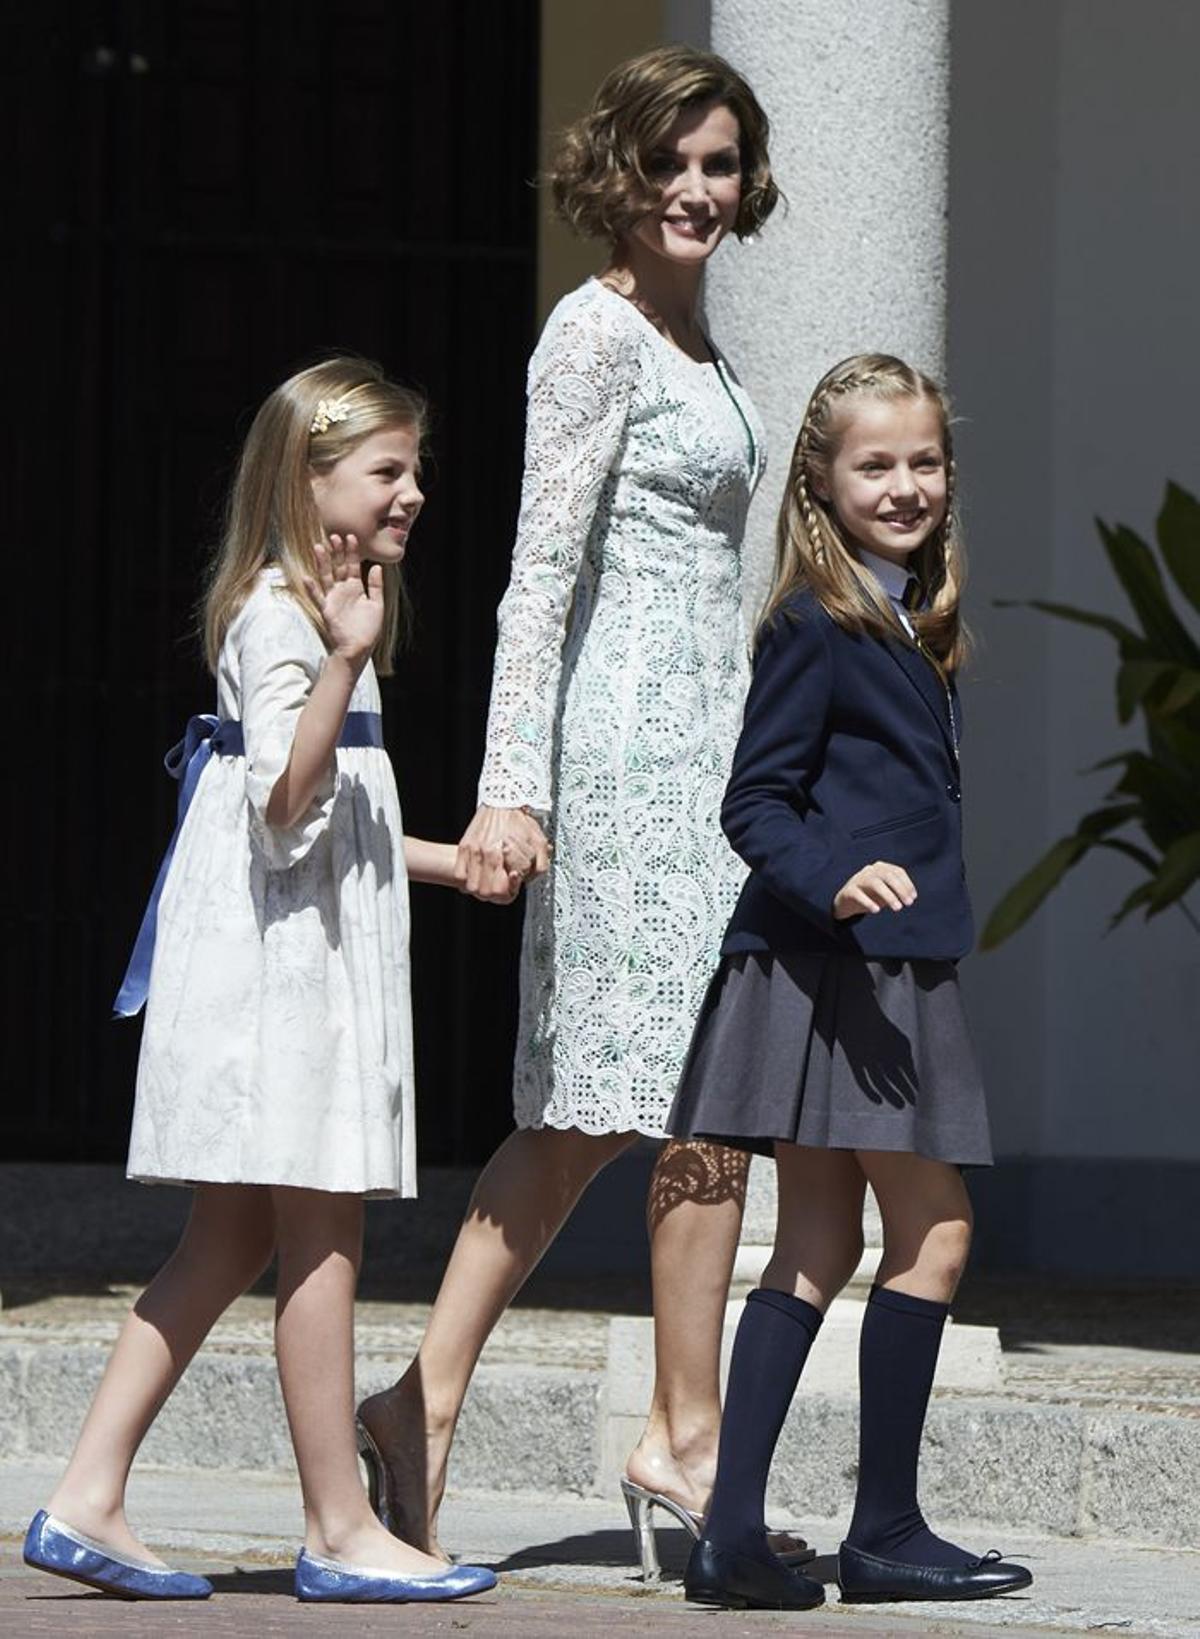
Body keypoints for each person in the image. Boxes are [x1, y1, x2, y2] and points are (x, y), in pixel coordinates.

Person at [355, 47, 805, 1579]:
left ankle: (461, 1405)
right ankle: (623, 1431)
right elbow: (536, 573)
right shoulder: (593, 333)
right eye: (672, 161)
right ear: (619, 172)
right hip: (618, 755)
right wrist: (511, 786)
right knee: (616, 1105)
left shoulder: (703, 344)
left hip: (710, 761)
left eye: (722, 163)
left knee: (674, 1106)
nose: (696, 188)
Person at [23, 359, 501, 1606]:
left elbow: (323, 811)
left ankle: (87, 1495)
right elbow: (288, 807)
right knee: (320, 1229)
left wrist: (451, 862)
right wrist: (344, 659)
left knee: (230, 1235)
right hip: (286, 982)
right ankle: (339, 1527)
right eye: (388, 470)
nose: (413, 493)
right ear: (311, 477)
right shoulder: (287, 618)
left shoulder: (319, 611)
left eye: (414, 470)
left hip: (297, 956)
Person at [668, 354, 1034, 1611]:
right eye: (875, 463)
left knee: (819, 1242)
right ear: (820, 482)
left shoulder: (906, 620)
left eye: (925, 460)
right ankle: (882, 1529)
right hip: (847, 970)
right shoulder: (816, 626)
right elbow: (754, 801)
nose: (907, 483)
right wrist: (837, 877)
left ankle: (729, 1533)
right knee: (935, 1234)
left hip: (849, 971)